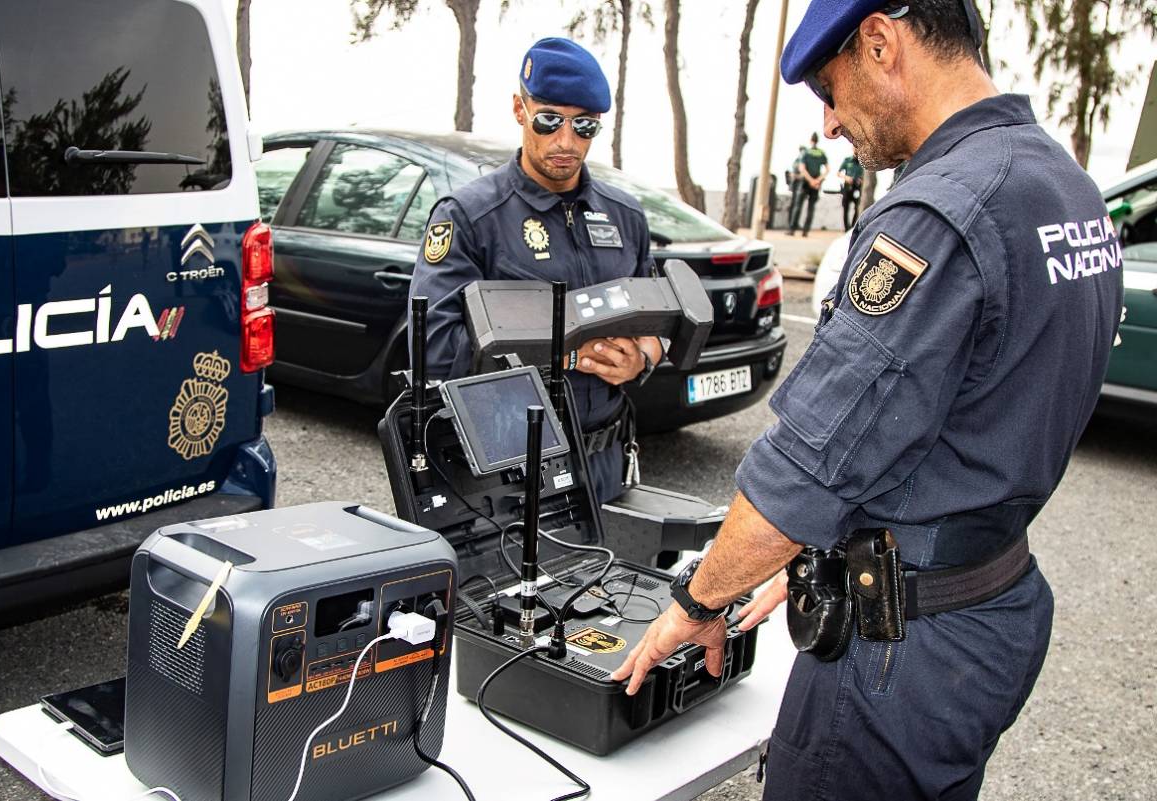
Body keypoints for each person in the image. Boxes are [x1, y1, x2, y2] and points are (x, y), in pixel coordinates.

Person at [611, 1, 1123, 799]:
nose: (827, 122)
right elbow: (976, 410)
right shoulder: (1066, 188)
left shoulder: (939, 213)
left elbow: (806, 472)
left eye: (829, 85)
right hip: (991, 603)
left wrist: (697, 601)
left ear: (881, 42)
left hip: (901, 650)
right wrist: (833, 552)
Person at [408, 37, 664, 504]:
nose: (566, 141)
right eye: (550, 120)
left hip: (606, 470)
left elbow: (656, 321)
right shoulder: (470, 216)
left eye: (584, 126)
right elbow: (435, 348)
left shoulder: (625, 216)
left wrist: (642, 359)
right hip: (510, 477)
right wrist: (566, 353)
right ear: (519, 110)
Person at [788, 133, 829, 236]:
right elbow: (828, 169)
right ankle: (805, 232)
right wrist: (817, 180)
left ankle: (792, 230)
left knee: (798, 206)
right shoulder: (821, 153)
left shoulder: (805, 152)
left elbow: (802, 169)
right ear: (817, 141)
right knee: (811, 208)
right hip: (816, 183)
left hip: (805, 182)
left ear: (811, 140)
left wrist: (810, 180)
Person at [838, 149, 864, 230]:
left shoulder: (863, 162)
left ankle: (853, 227)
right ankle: (846, 229)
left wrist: (861, 180)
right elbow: (838, 173)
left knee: (857, 208)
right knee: (845, 209)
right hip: (847, 187)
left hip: (857, 189)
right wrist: (847, 178)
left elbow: (865, 177)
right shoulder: (847, 160)